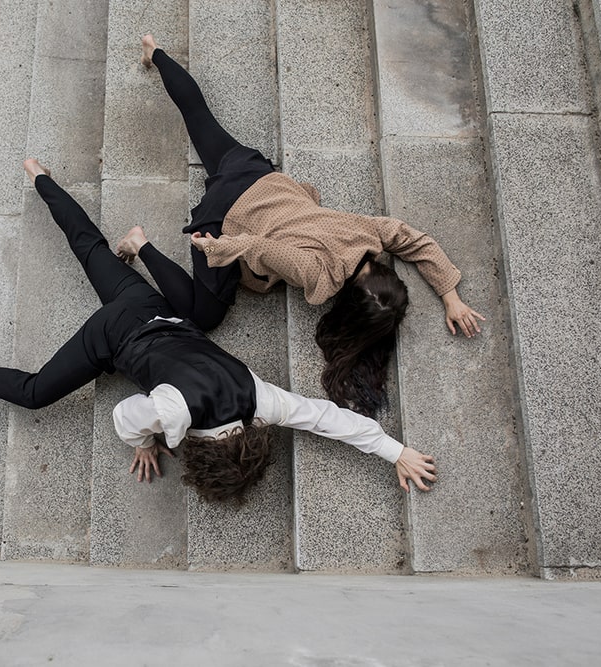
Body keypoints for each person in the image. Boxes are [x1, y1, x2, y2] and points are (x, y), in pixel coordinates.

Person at [0, 159, 437, 503]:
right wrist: (143, 442)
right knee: (34, 392)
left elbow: (325, 418)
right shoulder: (173, 413)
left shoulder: (260, 401)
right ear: (199, 454)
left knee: (88, 247)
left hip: (151, 309)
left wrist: (397, 450)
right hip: (110, 338)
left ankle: (41, 179)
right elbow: (123, 415)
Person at [115, 35, 485, 416]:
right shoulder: (318, 276)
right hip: (230, 214)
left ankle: (154, 51)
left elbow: (413, 240)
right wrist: (213, 248)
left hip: (258, 178)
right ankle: (140, 244)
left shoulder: (370, 236)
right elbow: (259, 248)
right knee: (205, 316)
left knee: (200, 117)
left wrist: (451, 296)